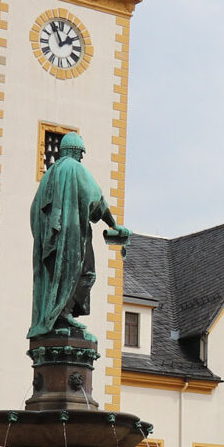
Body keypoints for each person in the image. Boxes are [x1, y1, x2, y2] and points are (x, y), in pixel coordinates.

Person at [28, 132, 129, 340]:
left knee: (58, 278)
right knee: (86, 273)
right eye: (81, 154)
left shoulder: (48, 175)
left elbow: (34, 211)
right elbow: (96, 200)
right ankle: (62, 313)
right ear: (75, 151)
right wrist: (114, 224)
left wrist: (46, 238)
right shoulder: (74, 168)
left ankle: (57, 316)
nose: (82, 158)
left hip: (50, 243)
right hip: (71, 240)